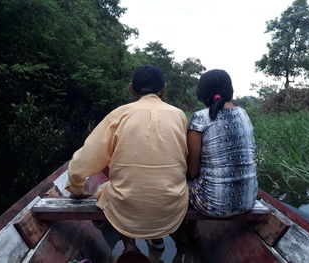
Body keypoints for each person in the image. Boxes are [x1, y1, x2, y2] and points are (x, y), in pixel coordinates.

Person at [65, 64, 189, 252]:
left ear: (131, 88)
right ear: (163, 89)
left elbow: (82, 162)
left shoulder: (119, 114)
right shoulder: (179, 116)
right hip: (171, 210)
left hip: (126, 209)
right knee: (157, 185)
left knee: (106, 190)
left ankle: (129, 246)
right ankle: (157, 239)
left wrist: (76, 188)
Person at [187, 69, 258, 218]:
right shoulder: (244, 114)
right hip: (248, 202)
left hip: (213, 205)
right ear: (229, 90)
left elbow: (192, 172)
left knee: (175, 187)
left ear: (202, 93)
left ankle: (189, 234)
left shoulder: (200, 118)